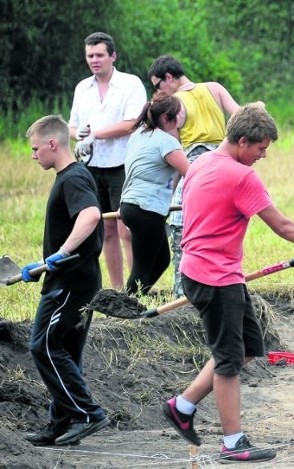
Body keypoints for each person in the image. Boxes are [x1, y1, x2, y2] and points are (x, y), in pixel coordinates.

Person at [161, 104, 294, 463]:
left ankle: (182, 405)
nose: (263, 155)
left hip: (209, 272)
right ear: (242, 141)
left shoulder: (202, 162)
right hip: (214, 278)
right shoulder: (242, 176)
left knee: (246, 349)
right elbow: (281, 225)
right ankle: (232, 443)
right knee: (228, 363)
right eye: (260, 148)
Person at [21, 115, 110, 446]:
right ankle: (59, 424)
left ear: (52, 144)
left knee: (42, 344)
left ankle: (88, 414)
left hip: (70, 284)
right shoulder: (72, 176)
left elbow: (90, 215)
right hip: (79, 281)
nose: (33, 156)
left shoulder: (72, 178)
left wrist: (60, 253)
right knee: (67, 353)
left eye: (35, 149)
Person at [147, 54, 241, 298]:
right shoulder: (214, 88)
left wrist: (167, 193)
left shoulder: (173, 103)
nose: (159, 90)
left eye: (158, 85)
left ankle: (182, 296)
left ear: (169, 77)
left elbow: (174, 149)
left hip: (195, 168)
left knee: (181, 232)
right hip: (225, 164)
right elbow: (240, 118)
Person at [69, 31, 147, 290]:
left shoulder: (130, 84)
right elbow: (73, 126)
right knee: (107, 230)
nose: (95, 60)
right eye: (90, 55)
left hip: (123, 164)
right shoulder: (82, 87)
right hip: (92, 165)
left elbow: (132, 123)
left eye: (100, 55)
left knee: (127, 228)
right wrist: (78, 135)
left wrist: (95, 134)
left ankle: (137, 286)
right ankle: (116, 289)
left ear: (113, 56)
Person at [119, 94, 190, 295]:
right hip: (146, 210)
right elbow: (192, 174)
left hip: (130, 206)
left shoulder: (139, 134)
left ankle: (138, 300)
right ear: (169, 118)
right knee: (141, 268)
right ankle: (127, 308)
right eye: (180, 113)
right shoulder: (167, 142)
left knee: (161, 260)